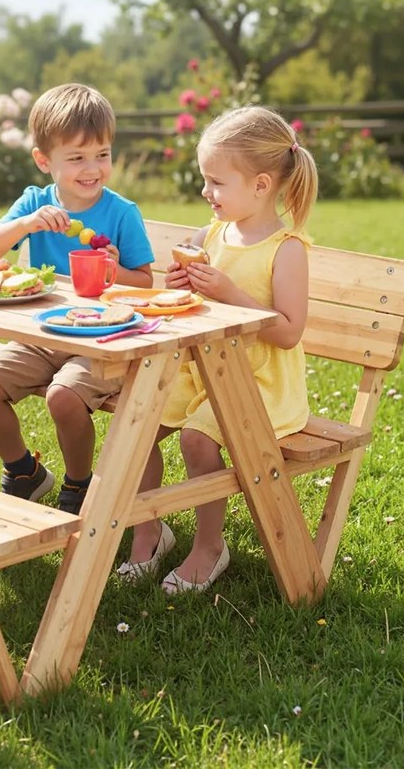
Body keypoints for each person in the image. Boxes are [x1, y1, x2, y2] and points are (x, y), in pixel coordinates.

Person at [119, 104, 319, 593]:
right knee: (138, 420)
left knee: (196, 439)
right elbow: (196, 304)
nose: (205, 192)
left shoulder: (286, 248)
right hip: (202, 371)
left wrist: (230, 293)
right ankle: (150, 528)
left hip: (260, 383)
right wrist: (183, 286)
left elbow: (289, 331)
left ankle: (210, 545)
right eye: (204, 179)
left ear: (261, 185)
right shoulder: (209, 235)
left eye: (215, 182)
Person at [0, 82, 154, 514]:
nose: (92, 168)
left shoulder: (121, 212)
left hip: (106, 339)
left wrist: (115, 269)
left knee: (63, 397)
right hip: (46, 331)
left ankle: (79, 484)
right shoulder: (36, 203)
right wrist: (28, 224)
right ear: (43, 160)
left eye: (102, 155)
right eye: (76, 158)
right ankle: (24, 470)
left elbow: (145, 282)